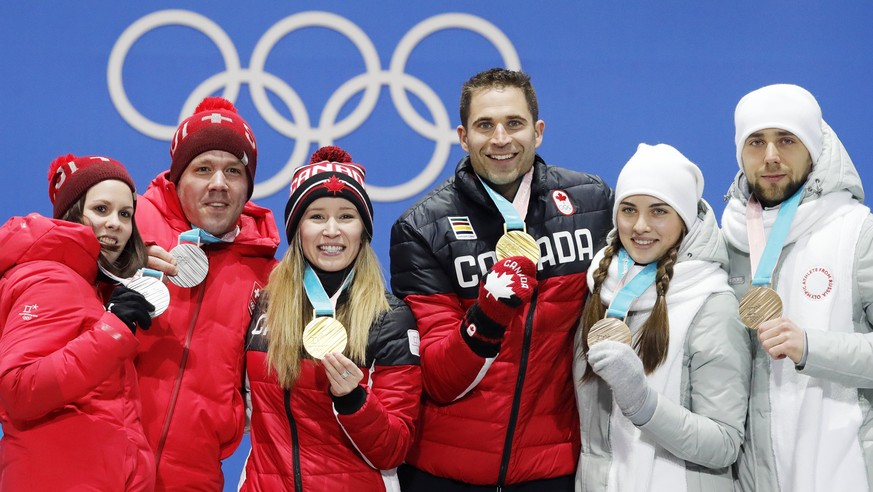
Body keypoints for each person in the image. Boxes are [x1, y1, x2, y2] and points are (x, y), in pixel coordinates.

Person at [390, 67, 614, 490]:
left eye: (514, 123)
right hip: (443, 473)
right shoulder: (422, 228)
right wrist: (488, 315)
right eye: (484, 126)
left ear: (538, 130)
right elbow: (438, 380)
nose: (500, 139)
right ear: (462, 136)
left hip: (550, 471)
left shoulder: (593, 205)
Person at [240, 146, 421, 491]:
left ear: (363, 231)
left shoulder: (389, 319)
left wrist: (355, 400)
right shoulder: (264, 305)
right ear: (298, 230)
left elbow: (394, 449)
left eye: (347, 217)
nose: (332, 230)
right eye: (317, 216)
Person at [721, 84, 873, 491]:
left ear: (813, 148)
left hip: (846, 471)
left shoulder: (858, 230)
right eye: (757, 142)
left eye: (786, 140)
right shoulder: (728, 238)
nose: (771, 156)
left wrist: (810, 346)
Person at [574, 143, 751, 491]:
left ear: (683, 218)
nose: (640, 226)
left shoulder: (711, 303)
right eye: (628, 210)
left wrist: (641, 401)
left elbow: (724, 444)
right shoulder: (599, 285)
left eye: (658, 211)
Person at [135, 96, 280, 490]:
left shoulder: (269, 276)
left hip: (195, 474)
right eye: (203, 169)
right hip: (100, 462)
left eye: (233, 170)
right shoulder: (124, 227)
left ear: (247, 186)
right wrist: (112, 269)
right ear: (177, 176)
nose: (218, 183)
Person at [0, 154, 155, 490]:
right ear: (72, 214)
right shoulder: (52, 278)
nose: (115, 223)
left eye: (125, 214)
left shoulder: (87, 287)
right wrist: (111, 331)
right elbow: (17, 388)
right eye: (101, 210)